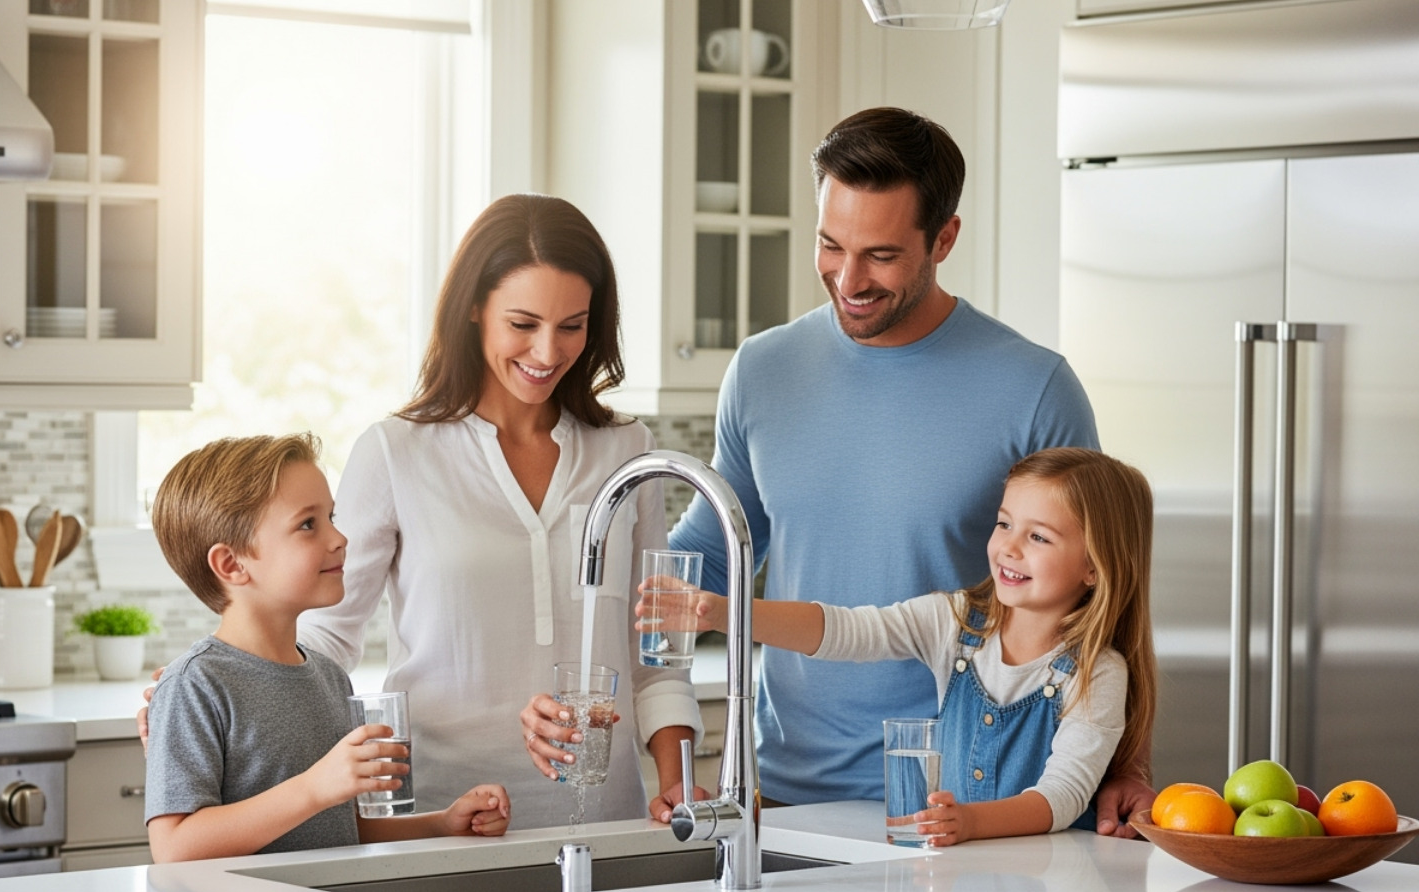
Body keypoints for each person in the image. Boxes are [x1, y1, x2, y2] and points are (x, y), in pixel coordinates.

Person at [654, 106, 1153, 835]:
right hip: (790, 794)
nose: (848, 278)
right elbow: (705, 559)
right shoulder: (763, 371)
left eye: (881, 255)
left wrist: (1127, 764)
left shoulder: (1034, 388)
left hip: (975, 810)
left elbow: (1107, 591)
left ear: (944, 238)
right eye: (830, 245)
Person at [292, 194, 706, 831]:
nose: (547, 351)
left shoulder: (627, 450)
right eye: (523, 323)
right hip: (444, 821)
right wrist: (220, 688)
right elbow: (324, 639)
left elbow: (656, 656)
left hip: (604, 821)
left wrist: (678, 784)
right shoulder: (396, 453)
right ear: (474, 308)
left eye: (572, 325)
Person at [643, 448, 1157, 845]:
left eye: (1038, 537)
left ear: (1095, 566)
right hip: (964, 872)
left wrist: (969, 822)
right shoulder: (957, 623)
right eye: (1004, 523)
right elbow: (847, 630)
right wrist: (727, 612)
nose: (1009, 547)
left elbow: (1063, 795)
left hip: (1051, 885)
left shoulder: (1096, 671)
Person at [145, 433, 510, 863]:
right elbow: (174, 847)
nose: (339, 538)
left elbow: (339, 825)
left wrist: (441, 825)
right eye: (308, 524)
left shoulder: (329, 676)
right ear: (232, 564)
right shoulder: (195, 685)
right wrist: (315, 786)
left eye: (331, 517)